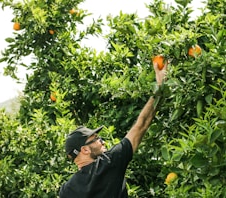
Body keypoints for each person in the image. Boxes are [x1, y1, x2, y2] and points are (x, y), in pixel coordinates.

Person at [59, 61, 168, 198]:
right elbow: (142, 125)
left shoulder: (66, 190)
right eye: (97, 139)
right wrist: (160, 87)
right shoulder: (108, 164)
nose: (102, 141)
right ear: (85, 149)